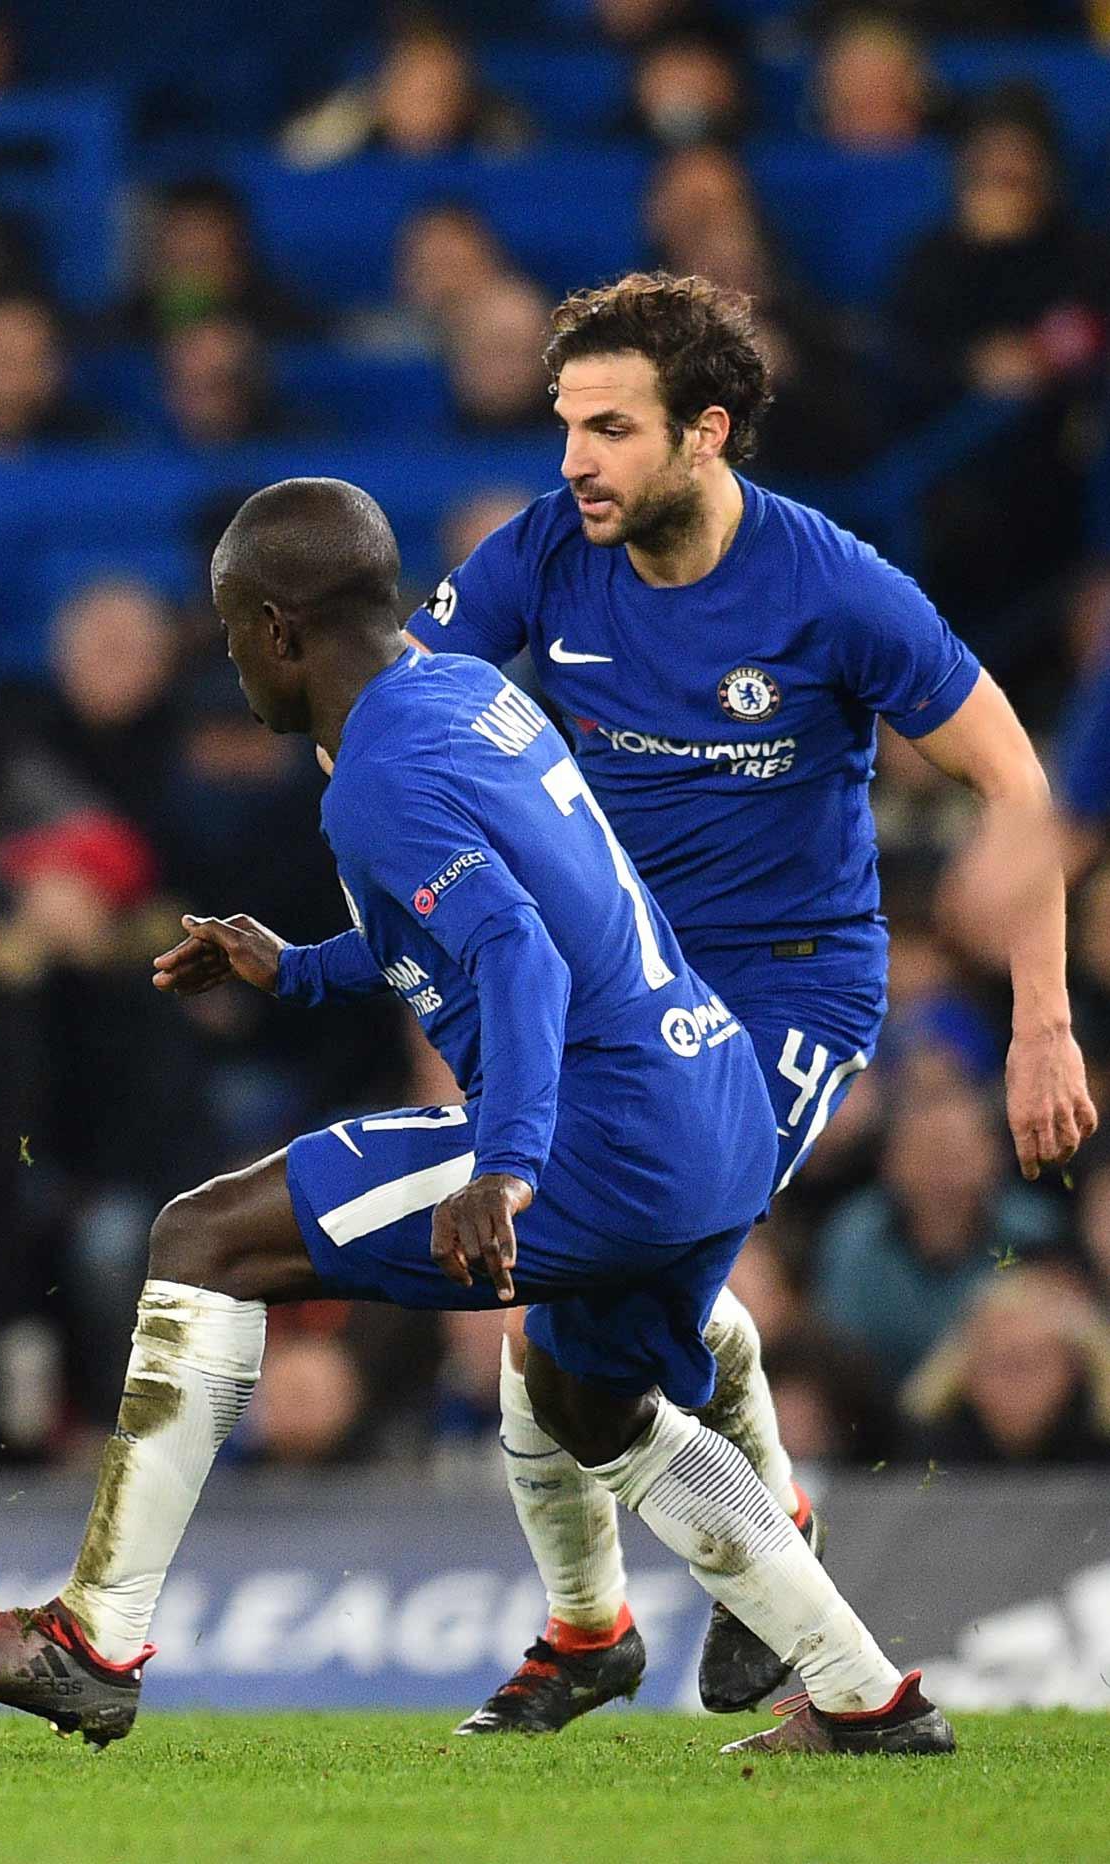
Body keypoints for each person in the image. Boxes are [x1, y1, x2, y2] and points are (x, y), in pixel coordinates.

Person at [0, 477, 955, 1760]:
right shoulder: (467, 696)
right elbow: (505, 916)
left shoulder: (377, 772)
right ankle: (867, 1698)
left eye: (229, 636)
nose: (229, 666)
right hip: (708, 1104)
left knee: (202, 1237)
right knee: (586, 1401)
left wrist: (504, 1169)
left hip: (600, 1131)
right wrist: (301, 964)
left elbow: (519, 956)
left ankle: (91, 1640)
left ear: (279, 629)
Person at [412, 270, 1091, 1727]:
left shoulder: (833, 586)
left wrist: (1041, 1020)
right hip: (619, 990)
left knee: (582, 1327)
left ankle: (796, 1650)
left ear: (706, 432)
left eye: (609, 427)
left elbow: (1017, 778)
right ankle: (708, 1560)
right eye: (564, 426)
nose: (575, 460)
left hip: (787, 996)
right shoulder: (542, 555)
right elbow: (408, 713)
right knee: (560, 1325)